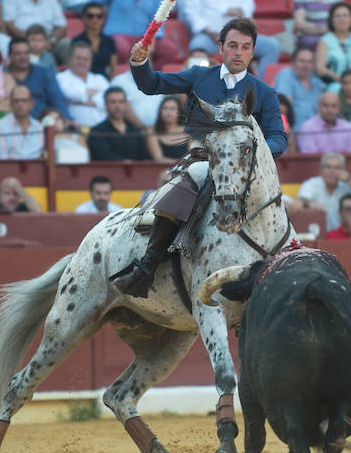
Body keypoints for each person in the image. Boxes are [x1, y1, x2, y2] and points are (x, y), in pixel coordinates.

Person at [112, 16, 287, 295]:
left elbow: (279, 137)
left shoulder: (264, 92)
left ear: (253, 51)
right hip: (202, 158)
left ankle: (285, 258)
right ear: (220, 47)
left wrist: (256, 154)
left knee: (274, 204)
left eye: (245, 47)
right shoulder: (198, 76)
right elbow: (152, 84)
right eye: (232, 45)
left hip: (244, 166)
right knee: (193, 176)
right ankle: (147, 266)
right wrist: (140, 63)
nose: (238, 52)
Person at [298, 152, 351, 231]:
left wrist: (350, 180)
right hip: (318, 235)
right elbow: (301, 200)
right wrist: (309, 203)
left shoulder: (347, 186)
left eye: (337, 168)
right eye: (328, 167)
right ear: (321, 170)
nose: (332, 171)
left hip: (342, 235)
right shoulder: (312, 183)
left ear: (343, 171)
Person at [315, 2, 351, 94]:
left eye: (345, 15)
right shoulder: (325, 40)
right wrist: (342, 80)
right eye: (337, 16)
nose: (342, 19)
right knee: (333, 91)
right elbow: (320, 69)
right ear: (332, 20)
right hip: (337, 83)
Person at [6, 37, 71, 122]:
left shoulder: (44, 73)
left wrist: (66, 120)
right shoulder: (2, 76)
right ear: (9, 55)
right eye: (18, 54)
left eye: (26, 53)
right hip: (12, 125)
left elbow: (57, 100)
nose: (23, 57)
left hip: (44, 124)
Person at [56, 41, 108, 128]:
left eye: (86, 59)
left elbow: (107, 100)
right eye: (78, 58)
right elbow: (69, 95)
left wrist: (77, 100)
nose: (82, 62)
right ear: (70, 59)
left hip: (102, 131)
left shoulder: (100, 79)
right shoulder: (60, 77)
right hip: (75, 129)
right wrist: (95, 95)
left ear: (91, 61)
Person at [88, 86, 149, 161]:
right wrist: (124, 162)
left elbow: (143, 158)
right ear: (106, 105)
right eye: (113, 102)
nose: (117, 106)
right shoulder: (97, 131)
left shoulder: (136, 131)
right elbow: (102, 156)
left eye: (121, 102)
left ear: (126, 104)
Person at [0, 85, 44, 159]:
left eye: (24, 101)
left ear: (31, 104)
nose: (20, 104)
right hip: (9, 169)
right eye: (16, 101)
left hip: (37, 169)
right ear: (10, 104)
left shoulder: (40, 127)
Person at [274, 47, 324, 128]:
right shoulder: (286, 75)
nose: (305, 65)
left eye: (309, 62)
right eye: (302, 61)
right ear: (293, 62)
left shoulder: (317, 82)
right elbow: (285, 106)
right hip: (294, 128)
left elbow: (322, 109)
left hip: (316, 129)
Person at [298, 91, 351, 155]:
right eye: (325, 105)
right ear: (319, 106)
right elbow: (310, 158)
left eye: (333, 106)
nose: (329, 110)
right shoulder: (307, 128)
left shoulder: (348, 129)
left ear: (339, 108)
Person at [70, 2, 118, 80]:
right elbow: (73, 67)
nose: (94, 19)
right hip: (81, 82)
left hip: (103, 83)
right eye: (90, 16)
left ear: (103, 19)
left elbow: (113, 69)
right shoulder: (76, 41)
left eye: (99, 16)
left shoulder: (109, 41)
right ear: (84, 18)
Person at [147, 96, 187, 161]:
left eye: (172, 109)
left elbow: (193, 157)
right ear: (160, 111)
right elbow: (158, 159)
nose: (168, 112)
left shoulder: (189, 131)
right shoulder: (152, 132)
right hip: (161, 170)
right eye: (165, 108)